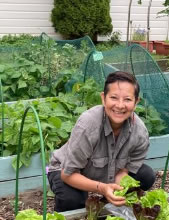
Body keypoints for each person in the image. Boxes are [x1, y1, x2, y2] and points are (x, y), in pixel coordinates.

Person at [47, 71, 155, 212]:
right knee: (72, 200)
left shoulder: (140, 133)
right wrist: (102, 188)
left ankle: (107, 205)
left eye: (127, 99)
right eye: (114, 98)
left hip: (106, 170)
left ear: (136, 102)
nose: (120, 105)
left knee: (146, 176)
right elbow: (68, 174)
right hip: (67, 170)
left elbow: (123, 171)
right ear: (103, 98)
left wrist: (117, 191)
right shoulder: (88, 125)